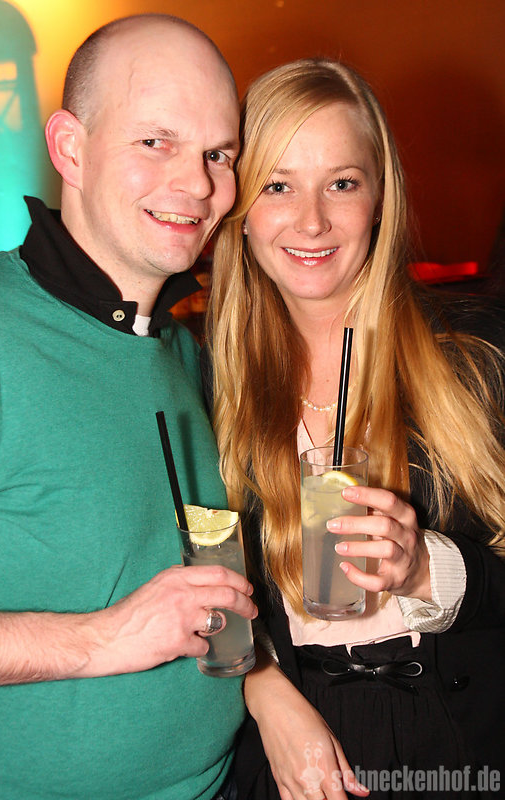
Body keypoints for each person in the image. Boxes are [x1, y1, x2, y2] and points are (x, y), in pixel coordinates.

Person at [0, 14, 258, 800]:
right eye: (155, 141)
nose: (198, 184)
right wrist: (103, 638)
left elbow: (214, 584)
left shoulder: (181, 352)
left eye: (218, 153)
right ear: (71, 149)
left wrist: (271, 700)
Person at [206, 58, 505, 799]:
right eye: (277, 186)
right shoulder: (200, 381)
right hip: (291, 747)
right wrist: (262, 690)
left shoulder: (477, 354)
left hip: (465, 740)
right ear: (239, 207)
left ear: (379, 198)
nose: (311, 221)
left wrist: (427, 568)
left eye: (341, 183)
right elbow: (200, 579)